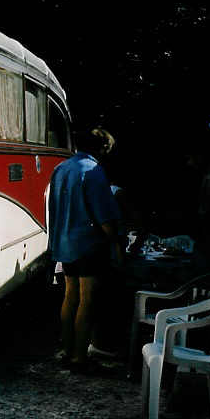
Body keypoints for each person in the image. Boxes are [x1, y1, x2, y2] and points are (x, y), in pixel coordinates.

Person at [48, 127, 123, 372]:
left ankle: (66, 349)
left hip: (65, 242)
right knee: (87, 300)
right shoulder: (94, 171)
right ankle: (80, 356)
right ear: (102, 148)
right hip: (88, 244)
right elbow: (104, 215)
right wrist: (116, 242)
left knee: (70, 296)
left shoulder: (61, 169)